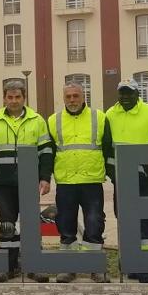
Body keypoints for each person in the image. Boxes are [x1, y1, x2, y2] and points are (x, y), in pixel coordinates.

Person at [104, 79, 148, 283]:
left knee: (147, 222)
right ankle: (132, 264)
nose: (125, 98)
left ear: (138, 94)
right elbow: (106, 149)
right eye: (122, 94)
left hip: (146, 180)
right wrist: (113, 173)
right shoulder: (110, 115)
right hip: (121, 181)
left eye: (129, 93)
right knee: (125, 221)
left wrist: (146, 169)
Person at [0, 80, 52, 282]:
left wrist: (45, 178)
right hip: (3, 183)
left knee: (30, 225)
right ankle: (8, 266)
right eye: (10, 97)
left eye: (17, 97)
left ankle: (34, 266)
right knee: (7, 225)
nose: (14, 101)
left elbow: (46, 151)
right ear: (4, 98)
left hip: (29, 182)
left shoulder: (37, 120)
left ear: (24, 98)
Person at [46, 82, 110, 283]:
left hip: (91, 180)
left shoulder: (99, 117)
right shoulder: (53, 120)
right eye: (68, 97)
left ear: (83, 97)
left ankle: (95, 268)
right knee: (65, 225)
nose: (72, 100)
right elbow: (49, 153)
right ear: (63, 98)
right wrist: (45, 177)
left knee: (94, 223)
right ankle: (68, 268)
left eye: (76, 96)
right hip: (65, 182)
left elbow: (108, 147)